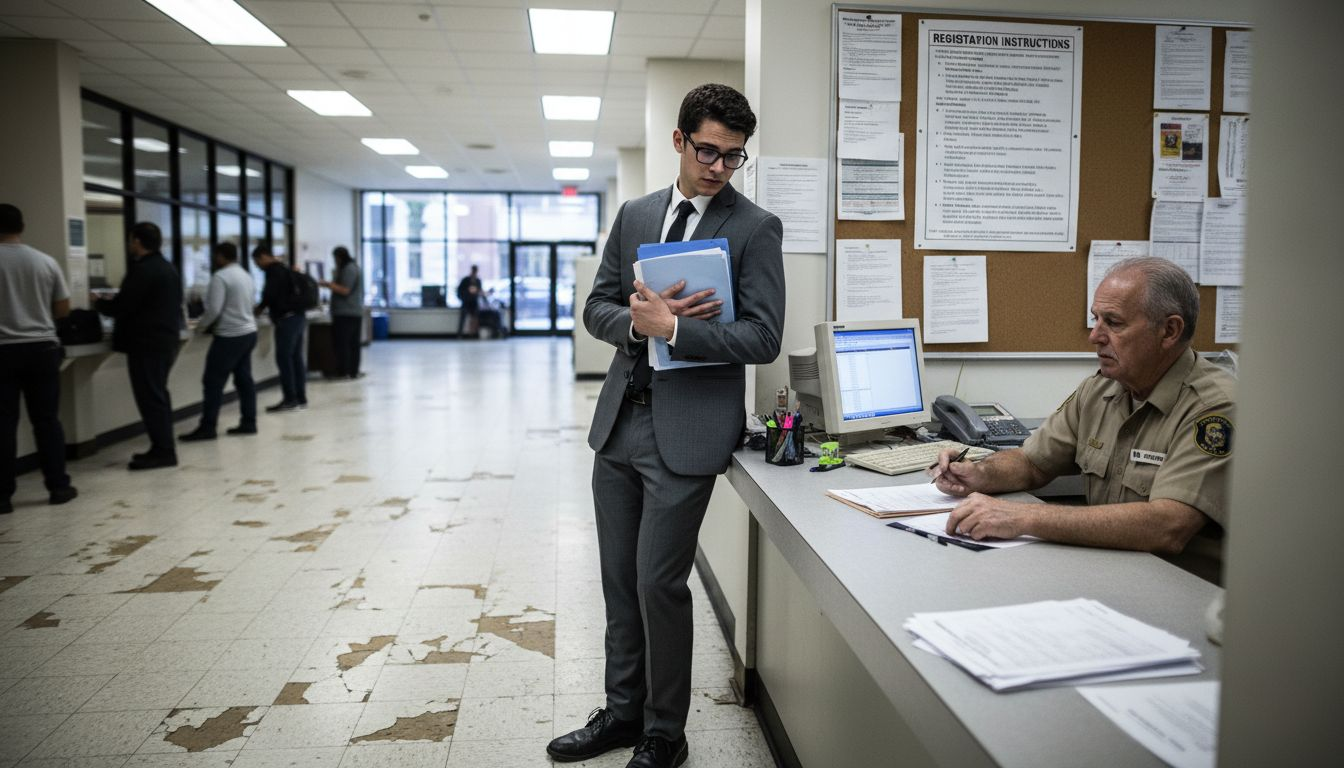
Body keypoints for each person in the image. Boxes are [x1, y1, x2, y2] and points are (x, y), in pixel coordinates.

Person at [547, 84, 784, 768]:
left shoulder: (754, 227)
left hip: (687, 433)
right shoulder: (636, 214)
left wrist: (675, 328)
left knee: (658, 583)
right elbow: (597, 306)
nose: (719, 167)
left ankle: (663, 732)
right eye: (707, 151)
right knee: (619, 582)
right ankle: (622, 713)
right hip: (620, 422)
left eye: (733, 156)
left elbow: (763, 336)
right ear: (679, 141)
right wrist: (638, 324)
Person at [932, 256, 1235, 584]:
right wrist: (979, 474)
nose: (1095, 336)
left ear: (1169, 330)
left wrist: (1024, 516)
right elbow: (1033, 462)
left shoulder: (1214, 409)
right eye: (1096, 319)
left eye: (1113, 323)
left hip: (1181, 590)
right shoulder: (1101, 389)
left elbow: (1167, 526)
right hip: (1106, 574)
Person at [0, 204, 78, 513]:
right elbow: (62, 308)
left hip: (2, 350)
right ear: (22, 226)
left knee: (3, 424)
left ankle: (2, 496)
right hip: (42, 349)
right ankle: (58, 486)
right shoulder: (45, 261)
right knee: (46, 420)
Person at [93, 221, 183, 470]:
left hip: (147, 344)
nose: (129, 244)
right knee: (158, 395)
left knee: (151, 398)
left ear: (137, 241)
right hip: (164, 341)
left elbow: (124, 305)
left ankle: (163, 451)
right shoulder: (167, 267)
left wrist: (99, 303)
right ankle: (162, 447)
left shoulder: (143, 270)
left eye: (131, 240)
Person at [180, 243, 257, 441]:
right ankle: (249, 422)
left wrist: (200, 328)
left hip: (229, 336)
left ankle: (208, 427)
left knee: (213, 382)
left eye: (215, 256)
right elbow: (250, 303)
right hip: (248, 332)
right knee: (244, 380)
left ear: (221, 256)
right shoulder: (246, 275)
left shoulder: (220, 277)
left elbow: (214, 309)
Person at [252, 244, 307, 412]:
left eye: (257, 262)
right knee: (296, 358)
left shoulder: (273, 271)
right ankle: (300, 398)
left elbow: (269, 294)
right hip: (298, 316)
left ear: (263, 257)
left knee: (284, 358)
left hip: (286, 320)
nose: (257, 266)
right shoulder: (285, 268)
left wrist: (258, 309)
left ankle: (290, 399)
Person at [319, 246, 363, 379]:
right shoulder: (353, 267)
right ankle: (352, 371)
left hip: (346, 313)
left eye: (335, 258)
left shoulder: (349, 269)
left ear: (339, 257)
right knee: (351, 344)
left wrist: (328, 284)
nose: (335, 261)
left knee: (343, 344)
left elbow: (345, 290)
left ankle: (344, 371)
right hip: (351, 312)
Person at [455, 264, 482, 338]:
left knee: (475, 318)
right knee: (463, 318)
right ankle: (460, 334)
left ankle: (473, 334)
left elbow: (479, 291)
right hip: (466, 301)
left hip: (474, 302)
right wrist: (463, 297)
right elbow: (459, 290)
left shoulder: (478, 281)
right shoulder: (466, 280)